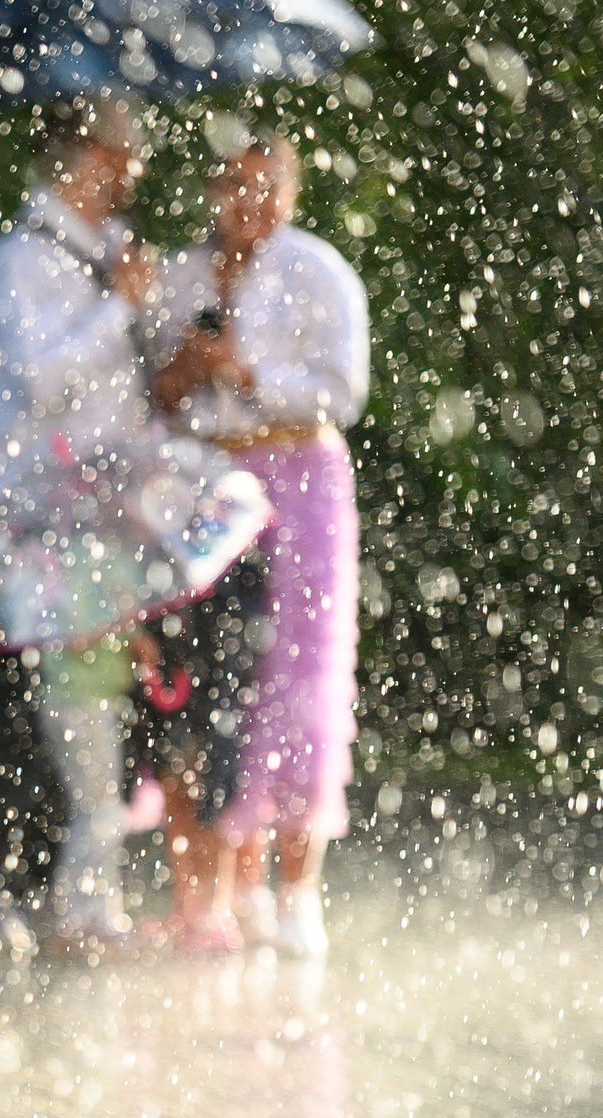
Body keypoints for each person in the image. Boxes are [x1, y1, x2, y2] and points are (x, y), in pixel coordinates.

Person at [0, 97, 156, 962]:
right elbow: (37, 385)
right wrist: (115, 309)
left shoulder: (109, 255)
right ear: (86, 160)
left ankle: (74, 895)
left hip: (99, 519)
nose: (138, 171)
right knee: (16, 716)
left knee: (92, 711)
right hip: (26, 522)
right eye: (127, 152)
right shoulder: (22, 262)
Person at [153, 133, 369, 958]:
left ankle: (299, 884)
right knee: (224, 675)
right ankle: (231, 883)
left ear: (290, 192)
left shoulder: (319, 273)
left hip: (303, 472)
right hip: (214, 480)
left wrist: (247, 374)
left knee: (305, 674)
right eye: (232, 185)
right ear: (211, 190)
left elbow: (344, 390)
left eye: (264, 186)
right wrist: (187, 364)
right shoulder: (180, 275)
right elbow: (155, 394)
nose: (247, 203)